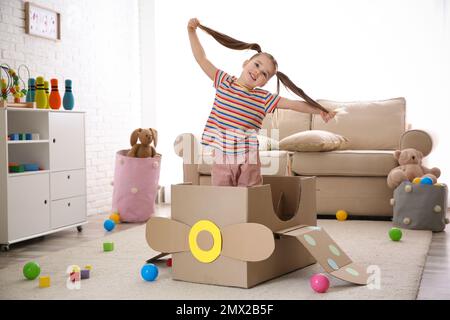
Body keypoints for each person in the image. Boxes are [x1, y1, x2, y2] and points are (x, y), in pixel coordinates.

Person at [187, 18, 336, 187]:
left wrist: (320, 110)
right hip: (222, 153)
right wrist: (192, 32)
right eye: (256, 64)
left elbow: (294, 104)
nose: (257, 72)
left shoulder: (264, 98)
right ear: (245, 63)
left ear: (264, 82)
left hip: (248, 155)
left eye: (264, 74)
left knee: (250, 192)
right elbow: (202, 59)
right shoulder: (224, 82)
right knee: (222, 194)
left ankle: (250, 213)